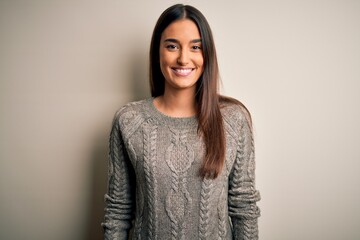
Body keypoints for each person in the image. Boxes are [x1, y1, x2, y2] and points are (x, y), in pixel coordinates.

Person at [102, 4, 260, 240]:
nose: (183, 58)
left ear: (207, 54)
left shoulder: (234, 120)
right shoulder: (129, 121)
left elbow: (244, 208)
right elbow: (117, 212)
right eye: (172, 46)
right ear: (158, 52)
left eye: (195, 47)